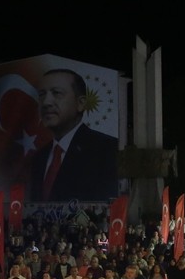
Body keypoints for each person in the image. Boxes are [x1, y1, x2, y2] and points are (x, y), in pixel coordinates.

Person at [26, 67, 118, 201]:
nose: (46, 102)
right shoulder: (39, 158)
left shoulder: (107, 149)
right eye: (42, 95)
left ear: (80, 103)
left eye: (56, 93)